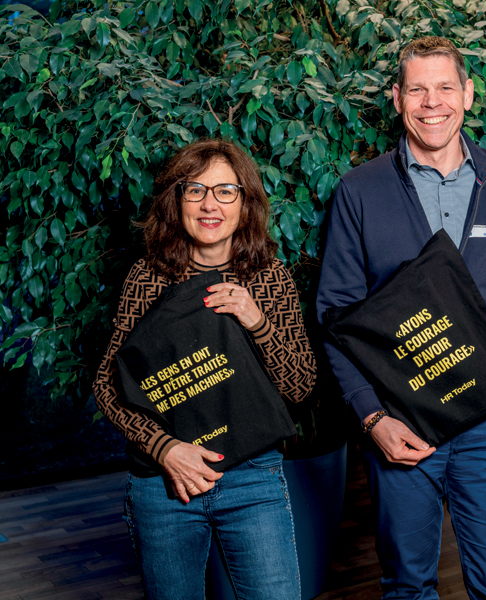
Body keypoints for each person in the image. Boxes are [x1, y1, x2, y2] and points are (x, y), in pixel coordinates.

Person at [316, 36, 486, 599]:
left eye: (446, 87)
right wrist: (371, 417)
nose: (433, 103)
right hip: (401, 421)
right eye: (418, 90)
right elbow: (335, 317)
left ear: (468, 95)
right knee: (407, 587)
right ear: (397, 98)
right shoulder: (359, 190)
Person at [93, 139, 316, 599]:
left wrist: (256, 321)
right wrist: (165, 448)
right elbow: (108, 386)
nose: (210, 204)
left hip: (252, 476)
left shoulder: (268, 276)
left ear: (245, 202)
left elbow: (300, 386)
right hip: (164, 483)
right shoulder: (148, 277)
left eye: (225, 191)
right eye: (195, 190)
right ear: (177, 201)